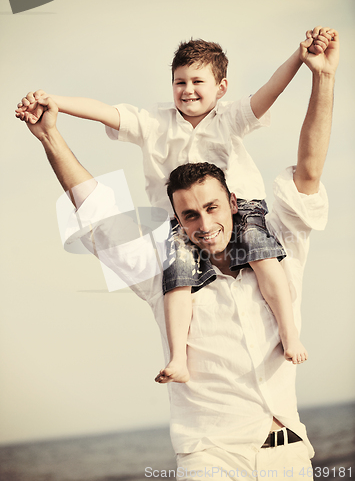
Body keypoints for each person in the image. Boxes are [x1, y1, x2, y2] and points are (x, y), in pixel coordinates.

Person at [16, 27, 339, 479]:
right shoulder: (165, 268)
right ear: (174, 219)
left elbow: (308, 170)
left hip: (291, 454)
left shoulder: (278, 249)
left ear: (234, 201)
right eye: (188, 215)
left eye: (212, 208)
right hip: (211, 458)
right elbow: (100, 218)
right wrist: (50, 135)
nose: (204, 226)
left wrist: (322, 78)